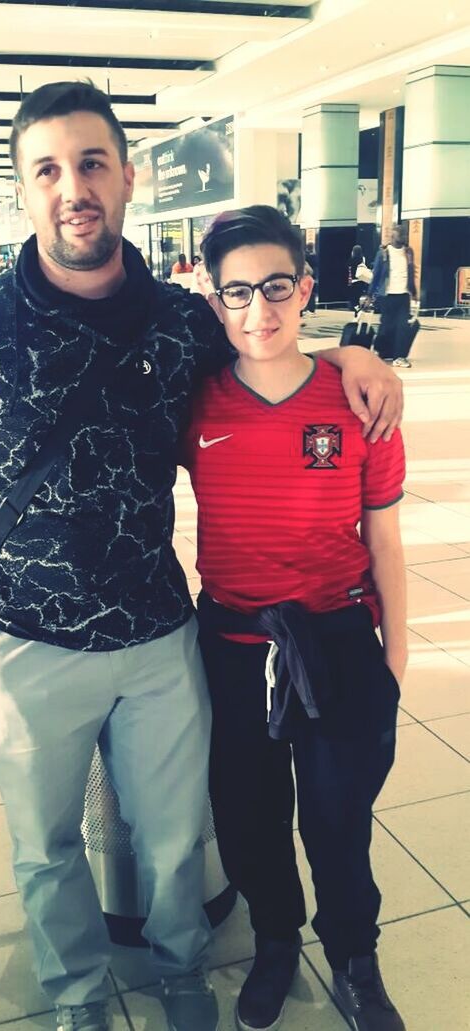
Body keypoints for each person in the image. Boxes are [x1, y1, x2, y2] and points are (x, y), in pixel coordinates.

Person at [0, 81, 402, 1031]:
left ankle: (183, 971)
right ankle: (77, 998)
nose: (73, 187)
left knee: (176, 837)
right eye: (47, 169)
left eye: (91, 162)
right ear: (23, 189)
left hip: (159, 635)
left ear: (128, 175)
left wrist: (356, 356)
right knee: (44, 847)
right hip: (22, 639)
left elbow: (266, 341)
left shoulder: (180, 320)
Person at [183, 206, 407, 1031]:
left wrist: (397, 652)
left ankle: (354, 954)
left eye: (275, 286)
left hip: (337, 634)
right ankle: (275, 937)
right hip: (234, 641)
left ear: (304, 286)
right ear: (214, 302)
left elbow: (382, 529)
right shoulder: (196, 399)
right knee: (247, 814)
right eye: (236, 292)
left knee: (338, 817)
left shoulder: (355, 397)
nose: (258, 309)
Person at [368, 226, 417, 368]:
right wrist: (370, 295)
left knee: (402, 326)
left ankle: (399, 356)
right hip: (387, 295)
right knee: (386, 327)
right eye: (402, 235)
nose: (405, 237)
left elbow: (411, 272)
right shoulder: (383, 253)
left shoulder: (408, 252)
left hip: (403, 295)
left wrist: (413, 292)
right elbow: (376, 275)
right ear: (393, 236)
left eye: (406, 234)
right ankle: (381, 351)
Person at [348, 244, 372, 315]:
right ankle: (359, 311)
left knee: (354, 300)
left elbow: (350, 271)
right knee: (358, 298)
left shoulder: (351, 260)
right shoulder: (363, 259)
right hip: (362, 281)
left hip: (354, 282)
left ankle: (358, 311)